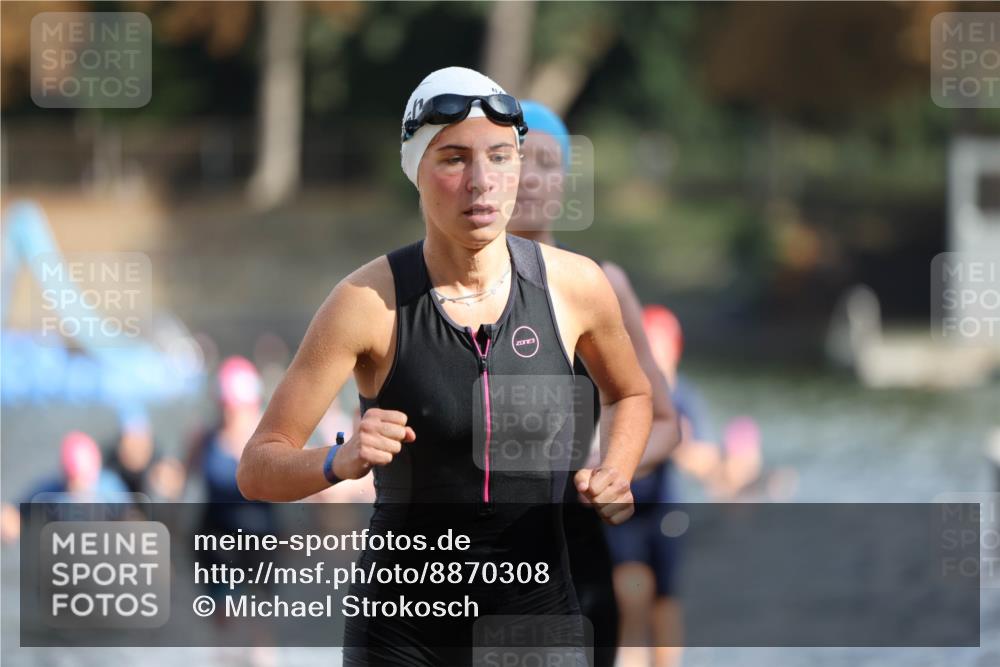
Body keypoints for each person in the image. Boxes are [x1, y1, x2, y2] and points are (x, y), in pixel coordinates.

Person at [236, 66, 654, 666]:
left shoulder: (576, 287)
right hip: (403, 636)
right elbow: (258, 466)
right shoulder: (365, 303)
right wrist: (338, 459)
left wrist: (615, 469)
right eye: (453, 159)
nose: (481, 182)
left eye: (501, 158)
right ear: (416, 172)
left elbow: (631, 395)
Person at [507, 100, 681, 667]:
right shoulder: (446, 289)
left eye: (548, 164)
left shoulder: (603, 284)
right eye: (515, 159)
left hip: (576, 560)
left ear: (566, 181)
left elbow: (664, 422)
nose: (532, 177)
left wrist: (614, 470)